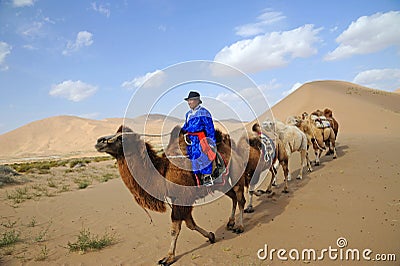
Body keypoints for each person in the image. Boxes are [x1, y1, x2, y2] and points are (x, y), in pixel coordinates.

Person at [182, 91, 217, 186]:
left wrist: (212, 142)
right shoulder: (188, 114)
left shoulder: (204, 112)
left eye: (191, 100)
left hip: (201, 139)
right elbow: (186, 126)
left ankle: (207, 177)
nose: (189, 102)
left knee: (202, 155)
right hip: (190, 140)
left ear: (197, 100)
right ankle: (194, 178)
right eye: (188, 100)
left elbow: (210, 128)